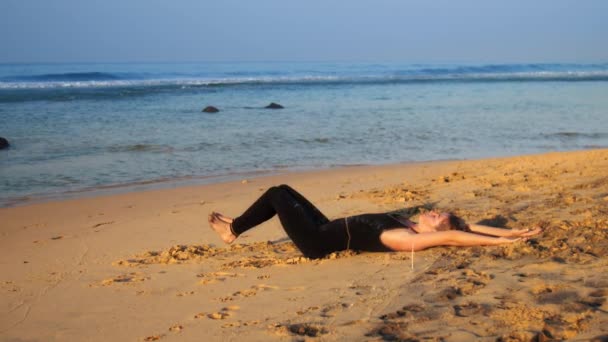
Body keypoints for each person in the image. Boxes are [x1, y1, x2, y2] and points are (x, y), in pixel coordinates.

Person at [208, 184, 542, 259]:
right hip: (327, 228)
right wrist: (512, 231)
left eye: (437, 216)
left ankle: (232, 230)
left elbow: (456, 238)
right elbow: (466, 228)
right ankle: (236, 225)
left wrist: (499, 244)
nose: (432, 212)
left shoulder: (406, 238)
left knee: (276, 196)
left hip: (315, 241)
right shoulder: (408, 222)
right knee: (283, 190)